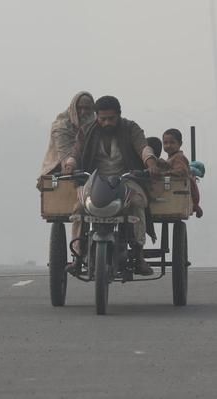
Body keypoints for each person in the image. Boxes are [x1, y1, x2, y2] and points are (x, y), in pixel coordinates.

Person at [68, 95, 160, 275]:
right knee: (79, 208)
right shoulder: (87, 130)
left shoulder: (130, 128)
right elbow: (76, 152)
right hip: (94, 181)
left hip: (127, 179)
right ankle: (78, 257)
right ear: (97, 117)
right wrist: (70, 165)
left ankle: (139, 255)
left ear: (119, 115)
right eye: (102, 119)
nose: (107, 123)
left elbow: (143, 147)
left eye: (111, 118)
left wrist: (151, 163)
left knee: (136, 203)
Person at [39, 91, 95, 177]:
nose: (83, 112)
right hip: (56, 173)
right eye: (80, 108)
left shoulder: (95, 122)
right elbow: (66, 158)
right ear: (74, 108)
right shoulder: (61, 126)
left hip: (85, 172)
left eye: (87, 108)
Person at [160, 128, 203, 218]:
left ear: (180, 144)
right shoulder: (171, 158)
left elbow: (181, 172)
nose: (168, 145)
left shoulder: (179, 157)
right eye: (165, 143)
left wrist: (165, 173)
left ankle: (195, 206)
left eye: (172, 142)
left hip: (181, 191)